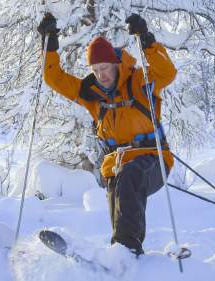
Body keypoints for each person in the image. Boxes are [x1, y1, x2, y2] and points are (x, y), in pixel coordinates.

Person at [37, 13, 177, 256]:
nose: (101, 74)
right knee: (120, 207)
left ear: (116, 64)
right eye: (95, 69)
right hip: (116, 168)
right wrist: (50, 45)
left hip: (153, 160)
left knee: (131, 175)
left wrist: (147, 41)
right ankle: (125, 261)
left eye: (104, 68)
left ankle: (126, 253)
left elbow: (167, 73)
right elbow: (54, 78)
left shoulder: (139, 81)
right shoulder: (91, 95)